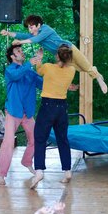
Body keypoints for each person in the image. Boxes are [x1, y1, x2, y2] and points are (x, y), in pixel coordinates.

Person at [0, 14, 108, 94]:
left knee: (86, 66)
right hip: (63, 56)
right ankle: (97, 73)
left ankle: (98, 78)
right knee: (81, 69)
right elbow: (22, 35)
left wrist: (19, 42)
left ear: (38, 25)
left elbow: (36, 39)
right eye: (28, 27)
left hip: (70, 49)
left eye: (31, 27)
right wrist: (8, 33)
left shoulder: (46, 29)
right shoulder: (34, 33)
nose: (29, 29)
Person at [0, 45, 43, 185]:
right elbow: (17, 75)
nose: (21, 53)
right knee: (8, 143)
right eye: (18, 51)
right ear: (12, 56)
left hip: (27, 113)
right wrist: (30, 63)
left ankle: (27, 161)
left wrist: (65, 85)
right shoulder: (10, 70)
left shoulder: (29, 72)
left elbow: (44, 84)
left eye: (21, 51)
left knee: (36, 140)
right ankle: (1, 174)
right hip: (13, 112)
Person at [30, 44, 75, 188]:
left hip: (48, 107)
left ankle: (39, 171)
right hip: (62, 108)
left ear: (57, 56)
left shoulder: (48, 67)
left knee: (40, 138)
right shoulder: (72, 71)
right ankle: (67, 171)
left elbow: (38, 70)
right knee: (63, 139)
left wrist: (39, 58)